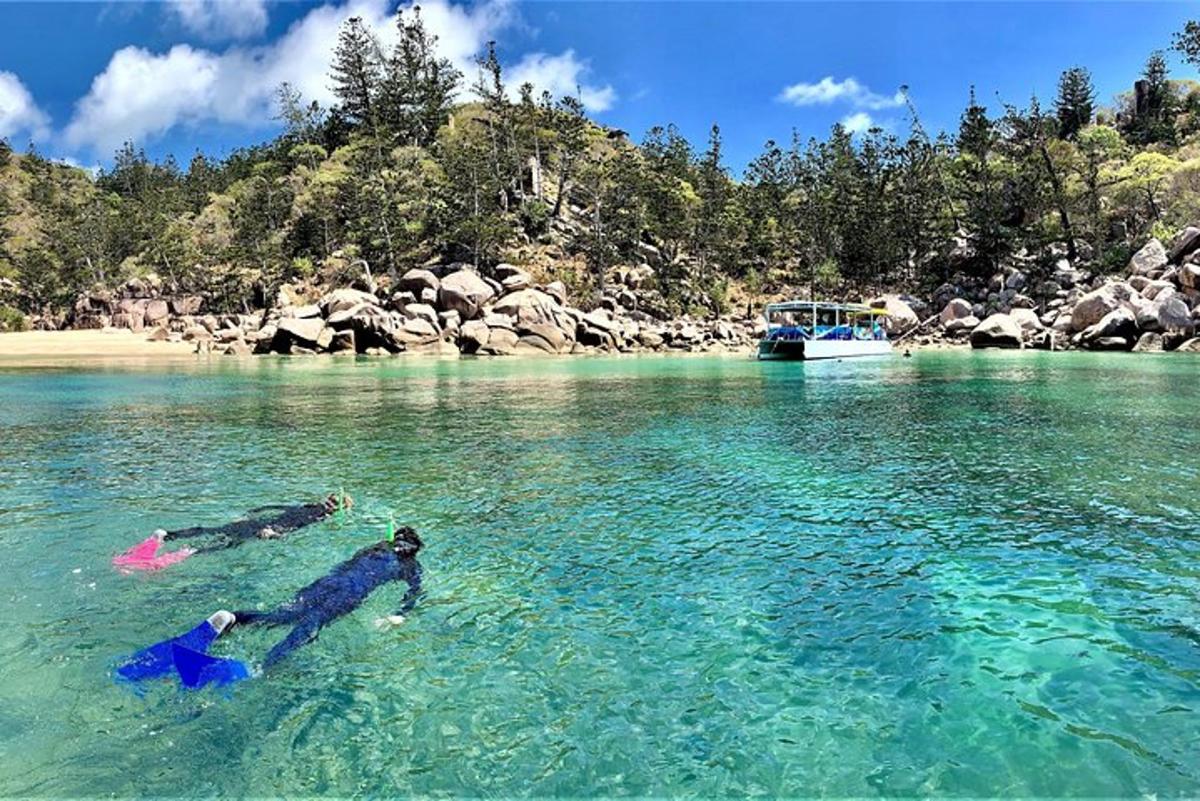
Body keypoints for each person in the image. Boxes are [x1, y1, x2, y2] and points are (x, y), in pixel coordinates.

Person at [215, 527, 423, 670]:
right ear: (413, 550)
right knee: (310, 626)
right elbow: (414, 593)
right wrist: (398, 615)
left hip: (328, 581)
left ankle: (234, 618)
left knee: (282, 615)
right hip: (350, 593)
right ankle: (263, 666)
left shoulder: (374, 548)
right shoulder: (410, 566)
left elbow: (345, 565)